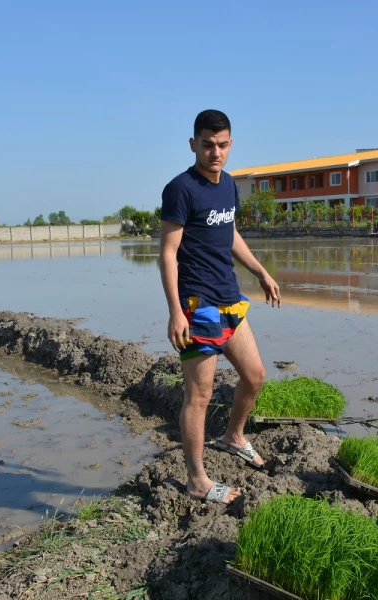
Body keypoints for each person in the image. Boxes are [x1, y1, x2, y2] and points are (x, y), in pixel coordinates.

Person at [159, 109, 281, 504]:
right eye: (208, 144)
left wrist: (260, 271)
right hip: (199, 306)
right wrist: (176, 311)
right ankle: (197, 480)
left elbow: (229, 233)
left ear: (231, 144)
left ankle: (233, 435)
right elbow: (168, 253)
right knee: (199, 395)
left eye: (223, 144)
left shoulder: (229, 185)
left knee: (255, 375)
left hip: (230, 300)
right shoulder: (180, 189)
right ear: (194, 144)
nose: (216, 152)